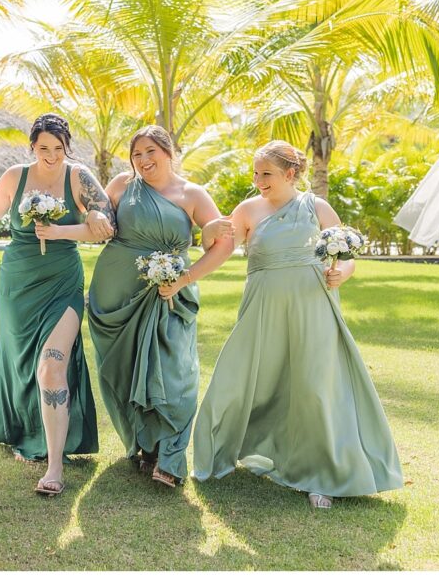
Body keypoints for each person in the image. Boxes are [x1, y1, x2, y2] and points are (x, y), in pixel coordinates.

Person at [192, 140, 403, 508]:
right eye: (256, 173)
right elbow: (219, 248)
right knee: (240, 378)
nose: (259, 180)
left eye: (267, 174)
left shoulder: (316, 207)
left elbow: (346, 254)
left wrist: (343, 275)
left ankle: (322, 475)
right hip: (263, 308)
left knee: (314, 386)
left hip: (312, 305)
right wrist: (205, 238)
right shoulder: (247, 210)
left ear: (290, 174)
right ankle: (223, 451)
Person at [86, 125, 233, 487]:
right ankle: (145, 447)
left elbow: (224, 244)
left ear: (169, 152)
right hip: (116, 292)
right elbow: (96, 219)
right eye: (137, 154)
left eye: (151, 151)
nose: (144, 160)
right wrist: (92, 216)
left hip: (170, 294)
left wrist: (184, 279)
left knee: (175, 373)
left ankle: (171, 455)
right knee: (124, 369)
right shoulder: (121, 185)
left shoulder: (192, 194)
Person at [0, 113, 113, 496]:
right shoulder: (14, 177)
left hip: (62, 285)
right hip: (18, 284)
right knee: (23, 361)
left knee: (53, 366)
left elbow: (106, 226)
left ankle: (54, 467)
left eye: (58, 148)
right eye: (43, 148)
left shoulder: (79, 177)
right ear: (32, 147)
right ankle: (25, 432)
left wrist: (65, 228)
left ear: (66, 147)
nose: (51, 155)